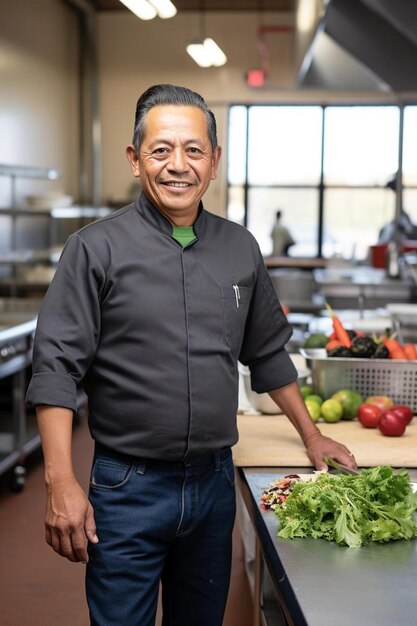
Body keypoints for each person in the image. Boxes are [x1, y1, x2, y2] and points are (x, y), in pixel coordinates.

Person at [26, 84, 356, 626]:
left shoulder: (240, 248)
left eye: (193, 150)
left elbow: (268, 353)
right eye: (160, 150)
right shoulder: (94, 250)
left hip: (212, 486)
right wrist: (60, 481)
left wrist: (312, 434)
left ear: (215, 161)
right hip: (126, 487)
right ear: (135, 159)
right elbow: (56, 370)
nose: (177, 165)